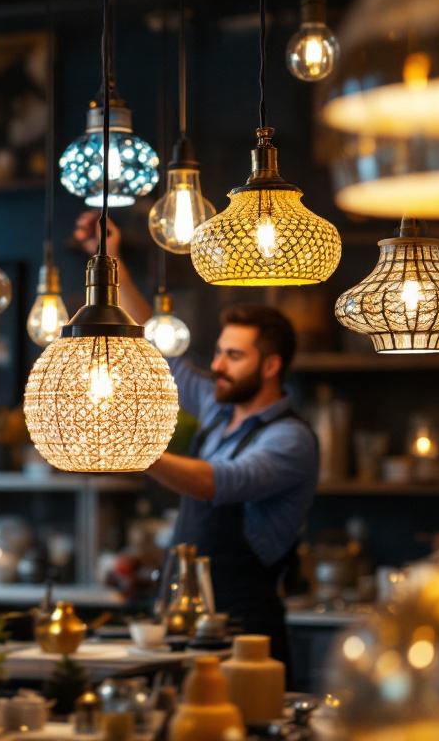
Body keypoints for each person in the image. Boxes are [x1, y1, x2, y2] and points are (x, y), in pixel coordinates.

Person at [73, 211, 319, 671]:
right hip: (189, 619)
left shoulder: (291, 439)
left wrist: (134, 448)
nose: (219, 365)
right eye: (219, 352)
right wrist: (112, 263)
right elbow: (159, 353)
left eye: (234, 355)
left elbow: (220, 482)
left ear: (270, 367)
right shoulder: (218, 405)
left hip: (248, 633)